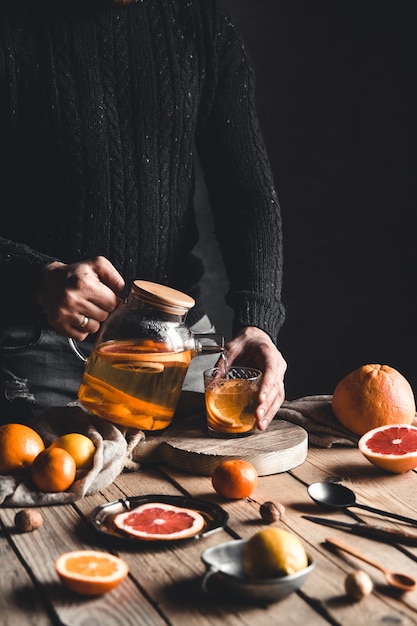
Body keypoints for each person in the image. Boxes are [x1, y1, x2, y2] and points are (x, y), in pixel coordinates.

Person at [0, 0, 287, 430]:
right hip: (38, 342)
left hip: (177, 342)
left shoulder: (202, 25)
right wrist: (38, 278)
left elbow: (245, 195)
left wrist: (259, 323)